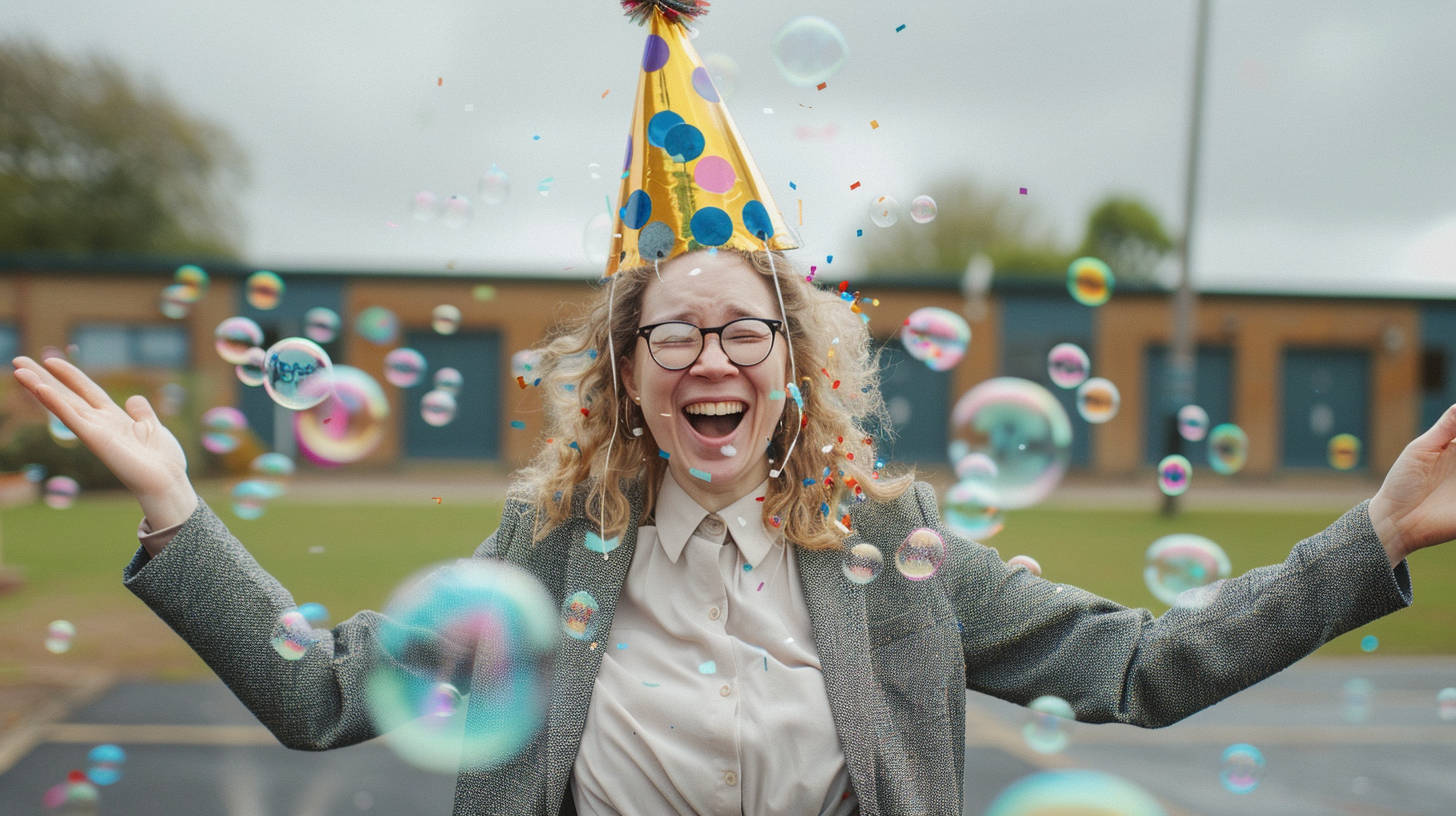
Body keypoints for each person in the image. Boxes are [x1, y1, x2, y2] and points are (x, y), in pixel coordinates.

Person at [14, 3, 1456, 813]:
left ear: (795, 361)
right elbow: (325, 694)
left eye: (744, 328)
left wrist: (1374, 531)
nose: (713, 358)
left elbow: (1144, 667)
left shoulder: (896, 546)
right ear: (629, 378)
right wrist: (175, 506)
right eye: (673, 332)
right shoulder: (549, 544)